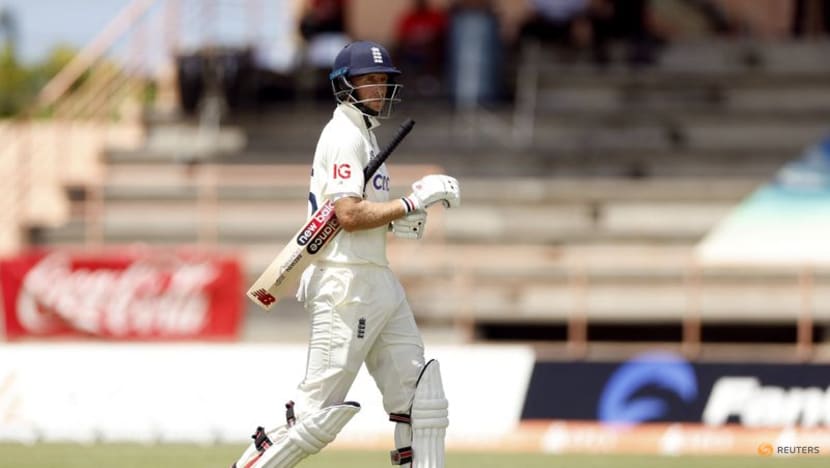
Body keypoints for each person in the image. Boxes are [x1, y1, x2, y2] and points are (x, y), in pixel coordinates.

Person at [230, 40, 460, 468]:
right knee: (316, 415)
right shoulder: (342, 135)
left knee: (421, 401)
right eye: (368, 81)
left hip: (377, 278)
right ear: (344, 86)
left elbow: (360, 214)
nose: (377, 88)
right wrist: (410, 203)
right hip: (344, 283)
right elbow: (349, 214)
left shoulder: (366, 138)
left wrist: (396, 218)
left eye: (382, 80)